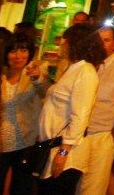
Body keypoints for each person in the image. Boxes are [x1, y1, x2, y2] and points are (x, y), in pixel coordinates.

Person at [37, 23, 102, 194]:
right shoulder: (73, 68)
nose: (61, 44)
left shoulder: (85, 72)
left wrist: (64, 152)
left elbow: (81, 115)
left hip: (66, 152)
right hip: (53, 147)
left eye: (65, 41)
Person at [75, 25, 114, 195]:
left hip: (101, 135)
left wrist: (113, 137)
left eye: (107, 40)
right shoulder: (85, 65)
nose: (102, 44)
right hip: (78, 136)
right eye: (98, 40)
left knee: (93, 188)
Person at [0, 29, 46, 194]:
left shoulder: (34, 73)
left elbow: (48, 94)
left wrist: (38, 79)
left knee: (22, 187)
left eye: (24, 50)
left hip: (25, 141)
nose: (18, 56)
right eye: (13, 50)